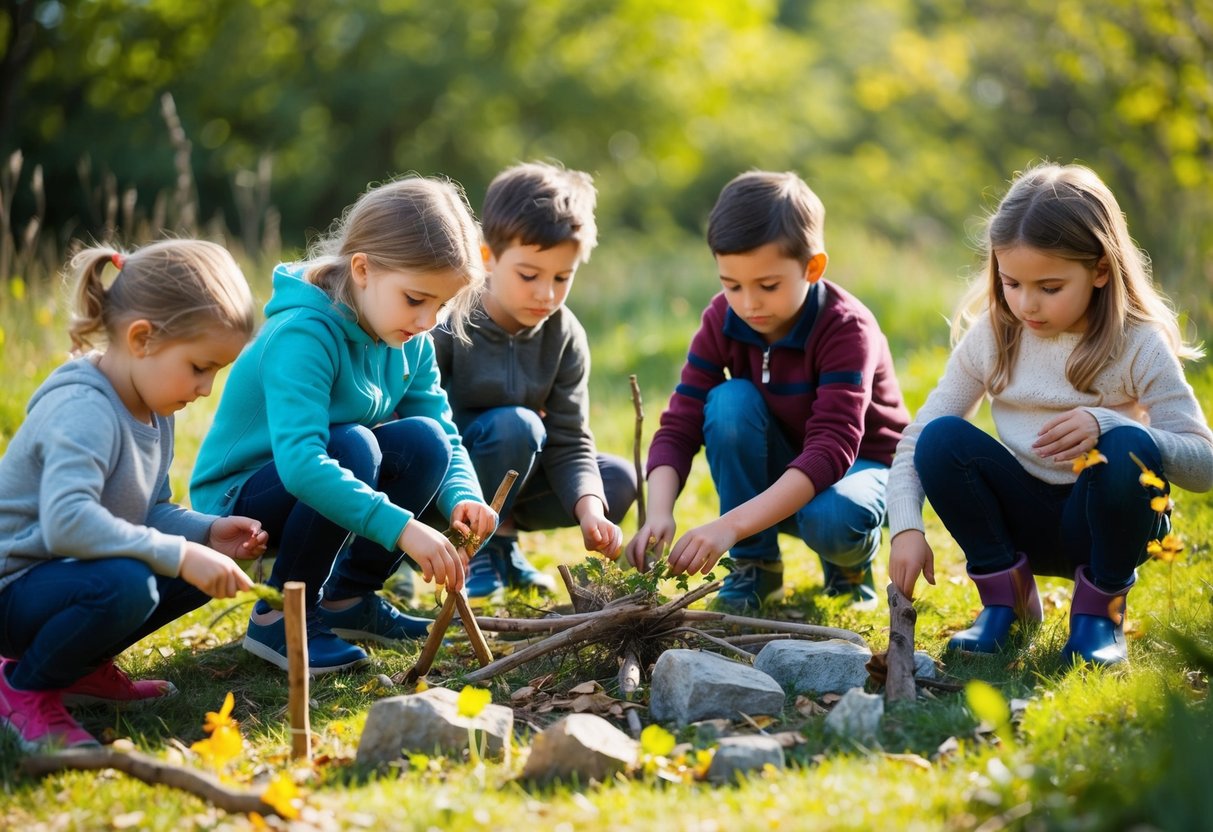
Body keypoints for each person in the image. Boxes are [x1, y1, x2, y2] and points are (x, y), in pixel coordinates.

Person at [886, 163, 1213, 666]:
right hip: (1021, 518)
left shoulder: (1138, 344)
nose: (1026, 304)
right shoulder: (996, 334)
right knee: (942, 438)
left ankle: (1099, 618)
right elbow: (918, 437)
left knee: (1128, 445)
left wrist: (1110, 423)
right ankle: (1007, 604)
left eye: (1049, 287)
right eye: (1011, 282)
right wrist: (906, 526)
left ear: (1100, 270)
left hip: (1107, 520)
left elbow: (1203, 465)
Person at [191, 176, 498, 675]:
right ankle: (281, 617)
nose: (427, 320)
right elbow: (302, 466)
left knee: (425, 442)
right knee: (353, 445)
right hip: (241, 504)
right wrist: (403, 530)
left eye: (440, 306)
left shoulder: (408, 339)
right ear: (362, 269)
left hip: (325, 479)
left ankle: (346, 601)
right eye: (416, 299)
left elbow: (441, 426)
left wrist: (464, 495)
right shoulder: (303, 334)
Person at [0, 240, 266, 751]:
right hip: (15, 588)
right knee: (128, 583)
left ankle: (76, 669)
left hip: (65, 580)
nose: (207, 388)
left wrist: (206, 535)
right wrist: (179, 553)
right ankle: (23, 687)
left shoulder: (154, 407)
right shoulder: (85, 409)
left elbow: (152, 511)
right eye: (199, 367)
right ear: (142, 338)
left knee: (184, 563)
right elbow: (67, 523)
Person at [625, 171, 910, 610]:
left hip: (861, 469)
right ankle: (756, 569)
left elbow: (832, 448)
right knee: (728, 402)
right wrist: (660, 512)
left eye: (768, 285)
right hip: (781, 465)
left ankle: (850, 567)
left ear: (812, 267)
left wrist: (728, 526)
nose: (748, 303)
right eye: (731, 284)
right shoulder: (722, 319)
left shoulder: (846, 328)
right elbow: (680, 422)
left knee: (831, 518)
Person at [427, 161, 636, 599]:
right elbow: (421, 426)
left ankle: (502, 542)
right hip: (444, 484)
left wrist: (592, 510)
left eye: (562, 277)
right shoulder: (447, 322)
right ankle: (475, 545)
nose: (546, 293)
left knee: (614, 479)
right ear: (488, 257)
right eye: (529, 275)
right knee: (516, 426)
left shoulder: (565, 334)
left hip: (522, 469)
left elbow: (569, 437)